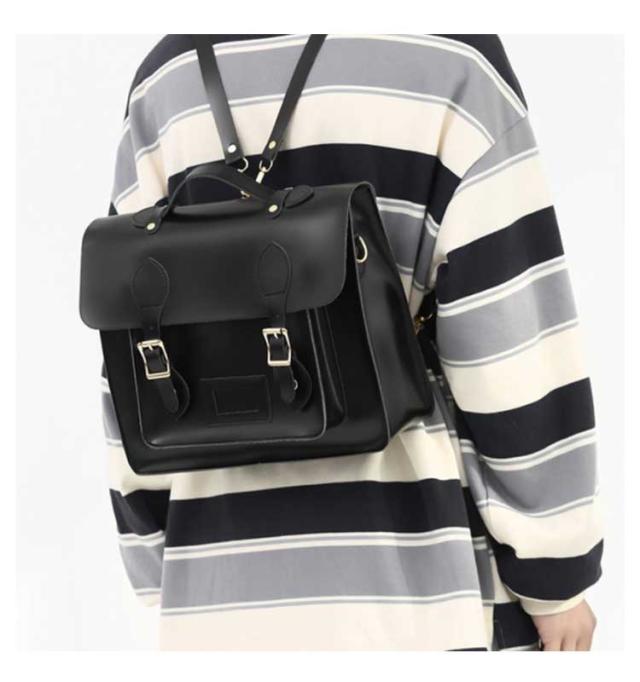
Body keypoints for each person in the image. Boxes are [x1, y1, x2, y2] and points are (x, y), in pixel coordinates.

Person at [104, 34, 602, 651]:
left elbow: (132, 355)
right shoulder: (452, 59)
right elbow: (513, 349)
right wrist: (556, 578)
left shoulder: (167, 76)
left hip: (217, 584)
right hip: (422, 584)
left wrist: (156, 552)